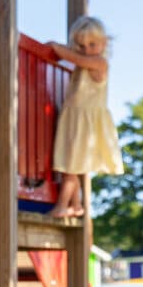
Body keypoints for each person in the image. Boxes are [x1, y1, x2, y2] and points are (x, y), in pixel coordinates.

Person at [47, 15, 124, 218]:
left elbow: (77, 59)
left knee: (71, 166)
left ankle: (63, 205)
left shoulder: (99, 63)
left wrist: (56, 47)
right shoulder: (84, 62)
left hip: (85, 122)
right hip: (75, 119)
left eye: (92, 44)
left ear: (104, 43)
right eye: (81, 46)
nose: (86, 50)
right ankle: (77, 204)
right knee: (73, 163)